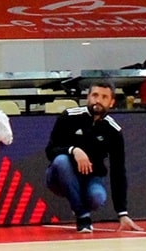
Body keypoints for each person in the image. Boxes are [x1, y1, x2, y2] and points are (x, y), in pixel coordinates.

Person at [44, 83, 137, 232]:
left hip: (91, 177)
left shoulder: (113, 131)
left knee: (97, 197)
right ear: (88, 97)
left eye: (104, 97)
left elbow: (118, 171)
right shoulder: (69, 117)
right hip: (59, 176)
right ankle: (83, 216)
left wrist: (122, 213)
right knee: (61, 161)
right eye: (94, 95)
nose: (98, 100)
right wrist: (73, 150)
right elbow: (50, 151)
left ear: (112, 102)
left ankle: (79, 203)